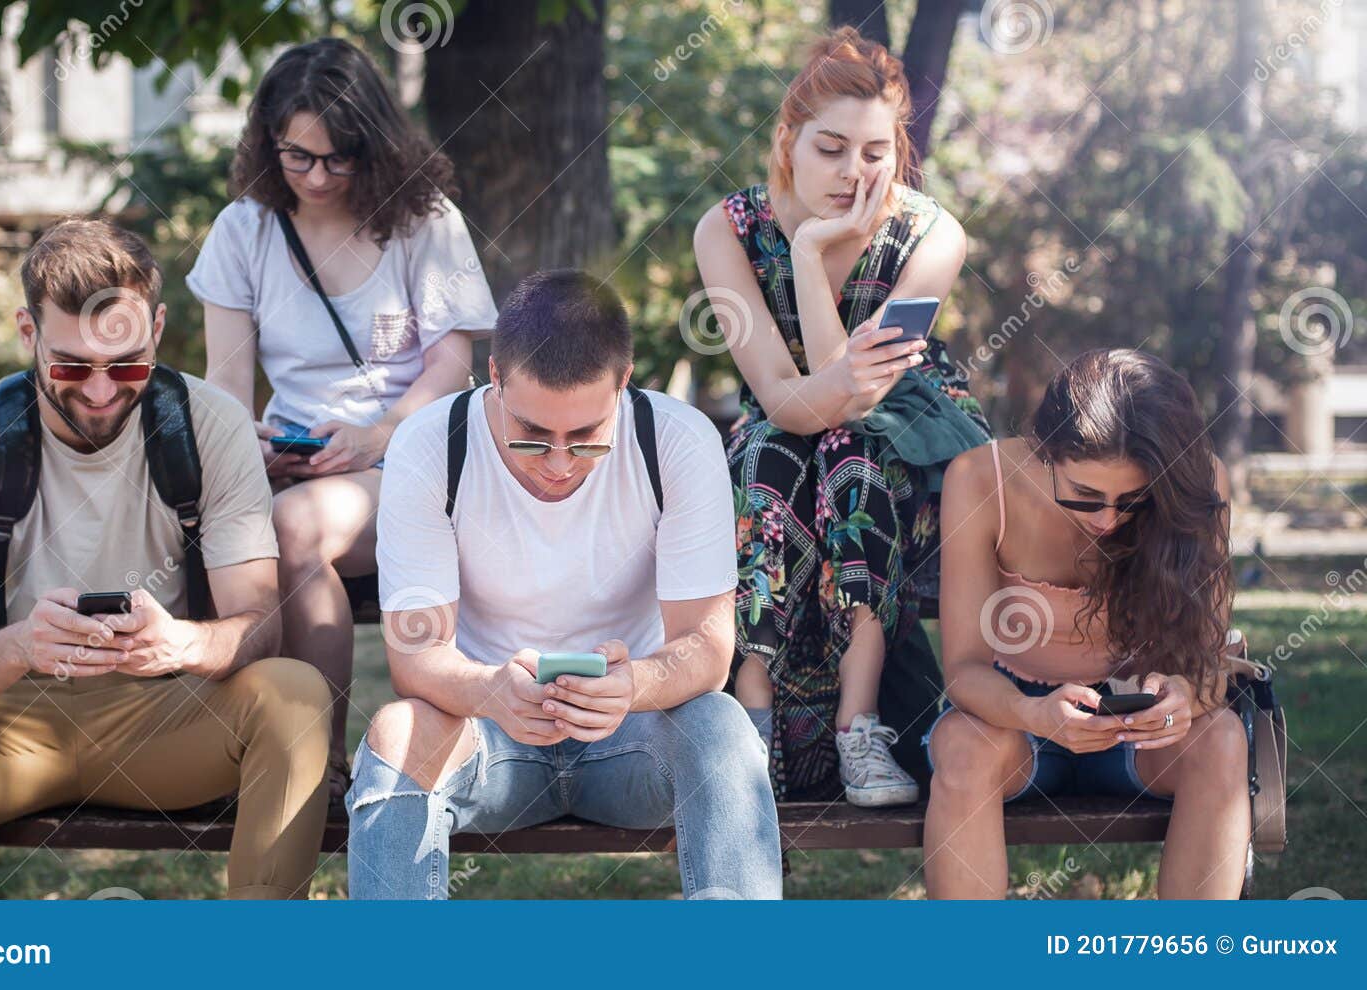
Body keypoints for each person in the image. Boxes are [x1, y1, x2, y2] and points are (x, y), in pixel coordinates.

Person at [0, 218, 332, 899]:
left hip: (167, 718)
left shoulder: (209, 426)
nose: (100, 392)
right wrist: (21, 647)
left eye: (126, 365)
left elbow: (260, 622)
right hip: (4, 726)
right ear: (28, 334)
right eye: (70, 366)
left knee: (296, 694)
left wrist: (182, 643)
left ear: (155, 328)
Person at [347, 270, 782, 900]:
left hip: (634, 735)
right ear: (493, 376)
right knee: (395, 731)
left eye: (584, 438)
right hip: (490, 735)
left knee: (720, 726)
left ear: (623, 382)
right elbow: (416, 658)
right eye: (531, 436)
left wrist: (635, 683)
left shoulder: (677, 441)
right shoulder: (431, 444)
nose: (557, 464)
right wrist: (492, 689)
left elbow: (708, 649)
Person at [190, 38, 497, 797]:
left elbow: (452, 367)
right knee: (207, 520)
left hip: (412, 456)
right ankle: (217, 746)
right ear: (268, 143)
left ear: (375, 146)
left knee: (294, 525)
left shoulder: (424, 222)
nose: (318, 177)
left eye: (339, 159)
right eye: (298, 157)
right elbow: (225, 385)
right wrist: (251, 446)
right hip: (297, 463)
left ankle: (312, 762)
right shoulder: (244, 230)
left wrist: (376, 434)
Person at [693, 27, 990, 803]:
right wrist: (797, 252)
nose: (854, 174)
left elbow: (861, 396)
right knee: (770, 454)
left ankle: (861, 732)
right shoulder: (727, 230)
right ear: (788, 141)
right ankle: (749, 722)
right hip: (784, 437)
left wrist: (811, 264)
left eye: (874, 151)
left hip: (905, 443)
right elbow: (781, 395)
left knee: (856, 454)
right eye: (830, 149)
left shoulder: (933, 236)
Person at [927, 349, 1248, 899]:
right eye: (1085, 496)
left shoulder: (1197, 482)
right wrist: (1032, 711)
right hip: (1014, 715)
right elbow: (963, 669)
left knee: (1221, 740)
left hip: (1140, 716)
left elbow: (1208, 663)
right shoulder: (981, 478)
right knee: (963, 746)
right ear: (1046, 452)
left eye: (1133, 499)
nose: (1107, 519)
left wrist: (1184, 695)